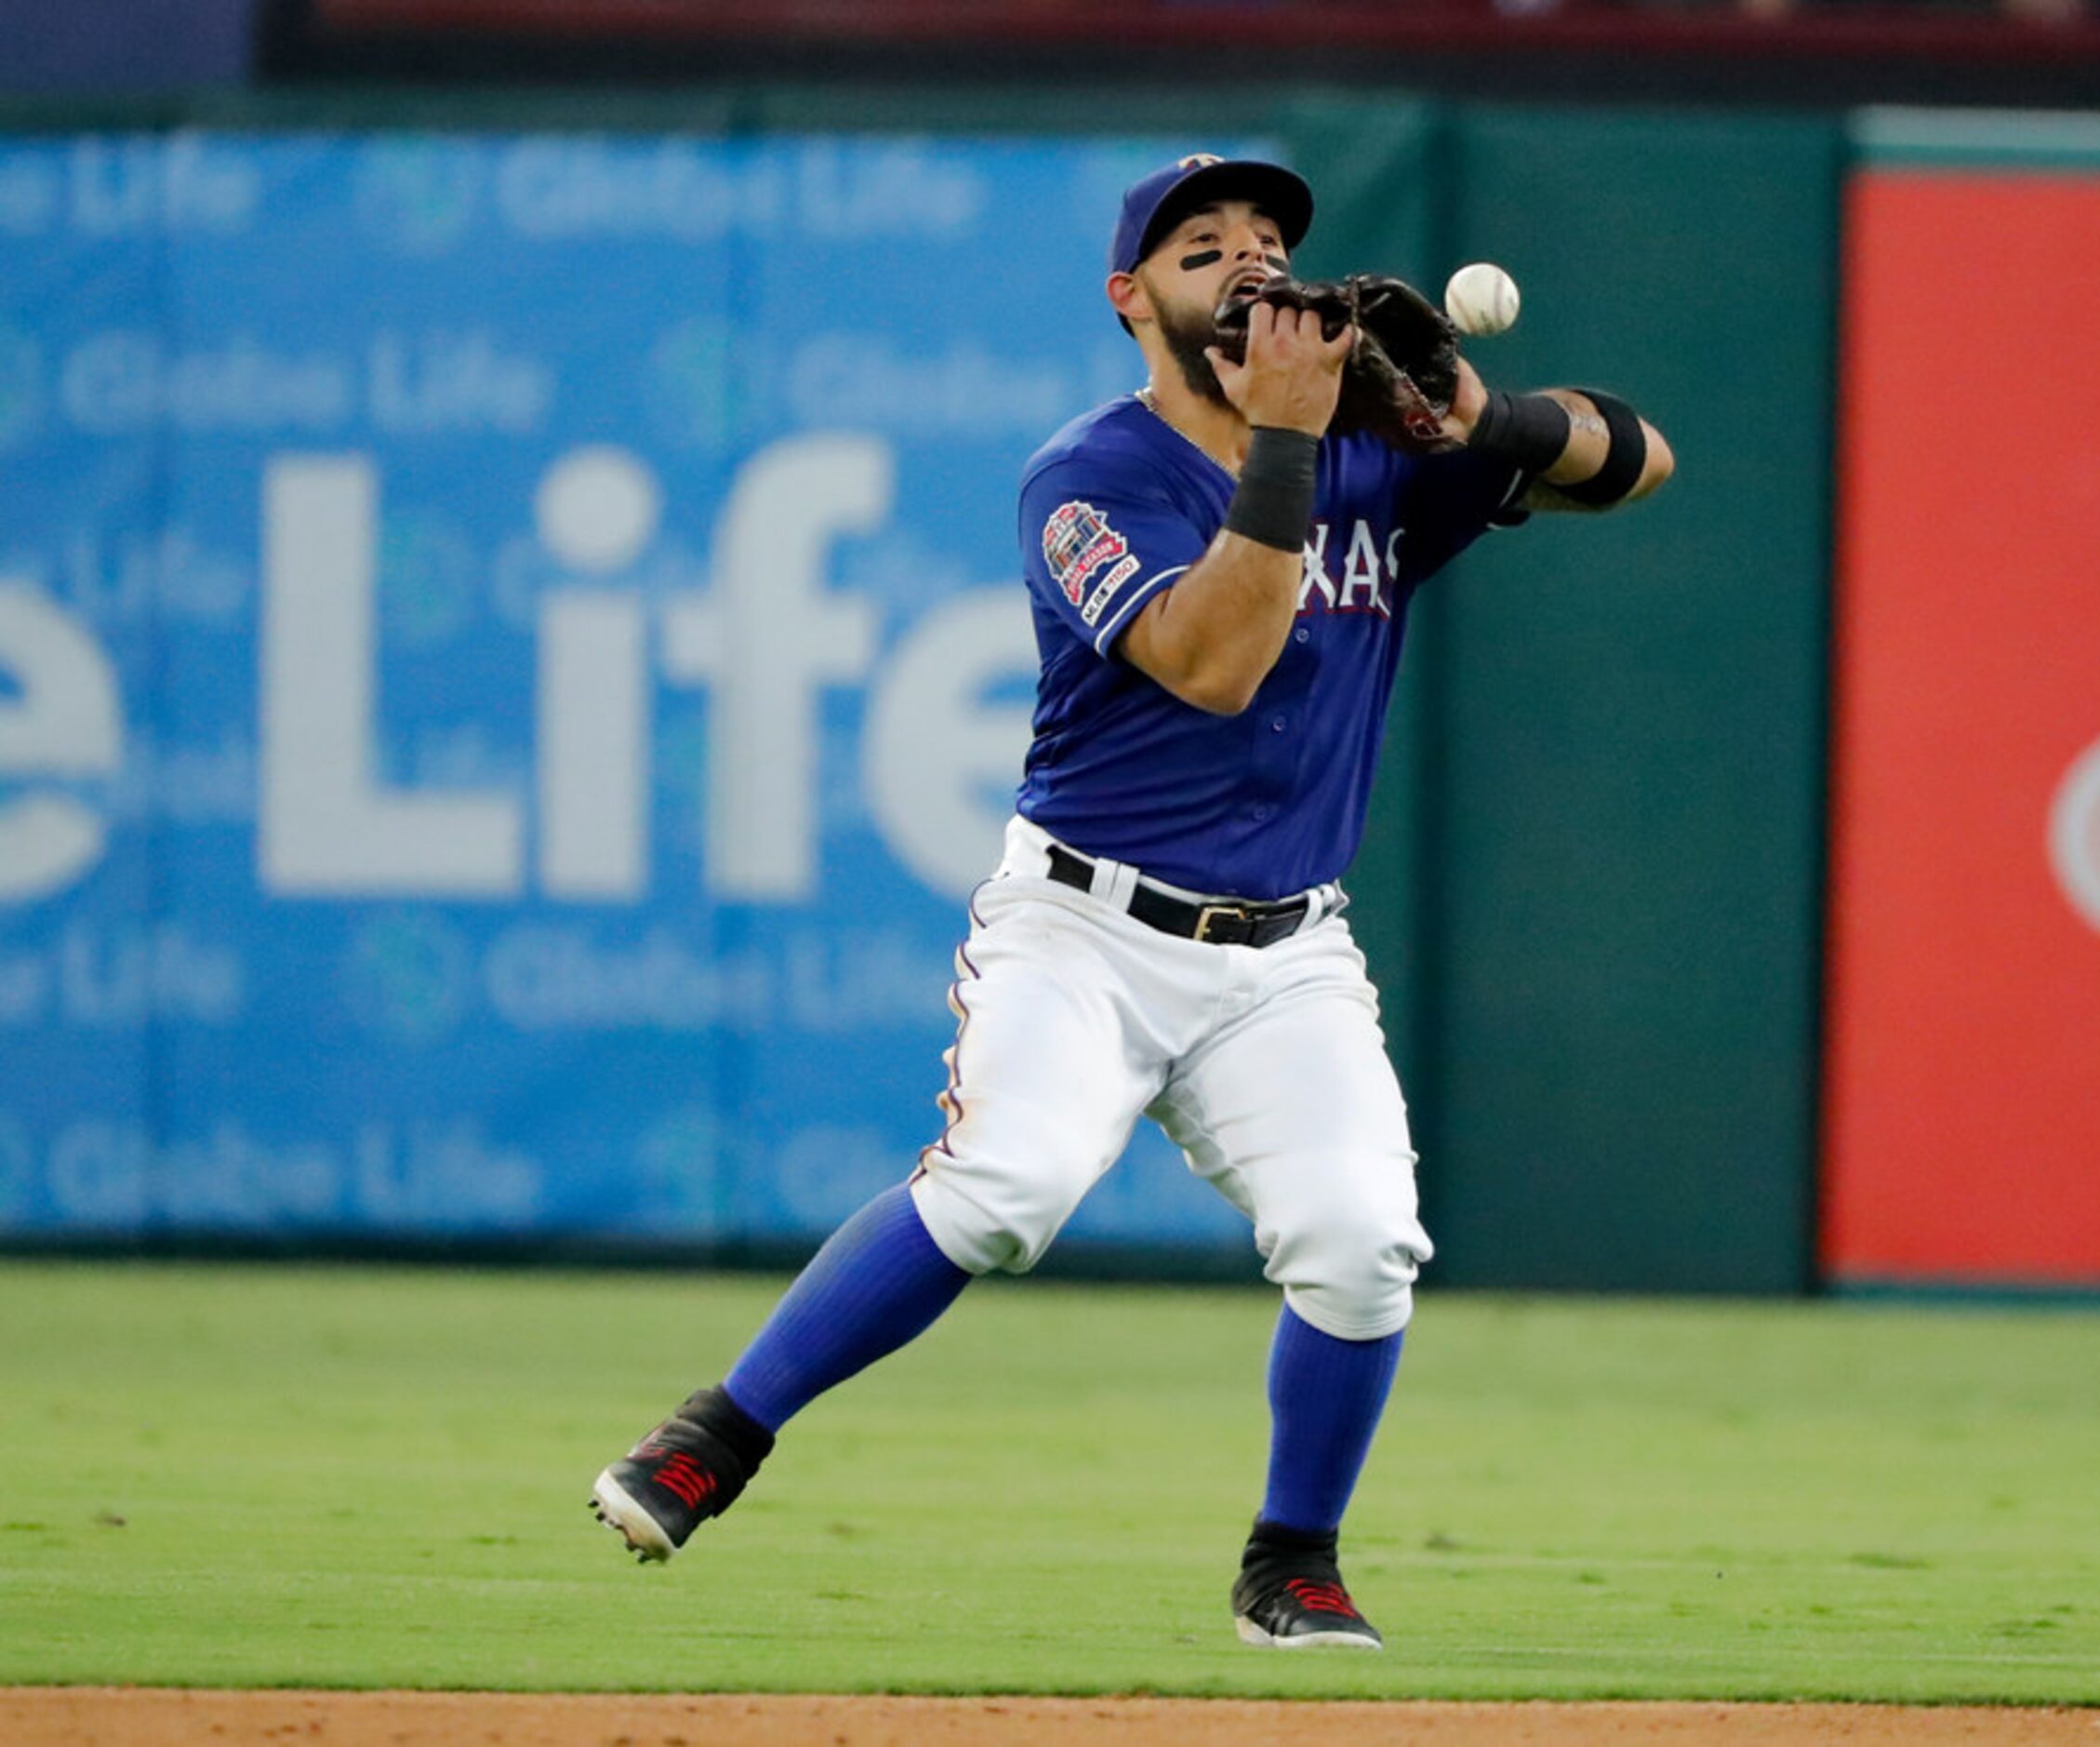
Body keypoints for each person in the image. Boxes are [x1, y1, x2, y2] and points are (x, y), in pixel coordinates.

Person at [591, 153, 1672, 1650]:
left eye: (1270, 239)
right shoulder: (1089, 474)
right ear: (1130, 299)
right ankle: (720, 1429)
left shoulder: (1370, 447)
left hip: (1286, 950)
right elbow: (1213, 664)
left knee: (1363, 1240)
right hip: (1085, 930)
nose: (1247, 260)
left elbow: (1639, 462)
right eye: (1200, 245)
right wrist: (1293, 440)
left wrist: (1480, 419)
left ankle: (1289, 1561)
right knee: (1006, 1188)